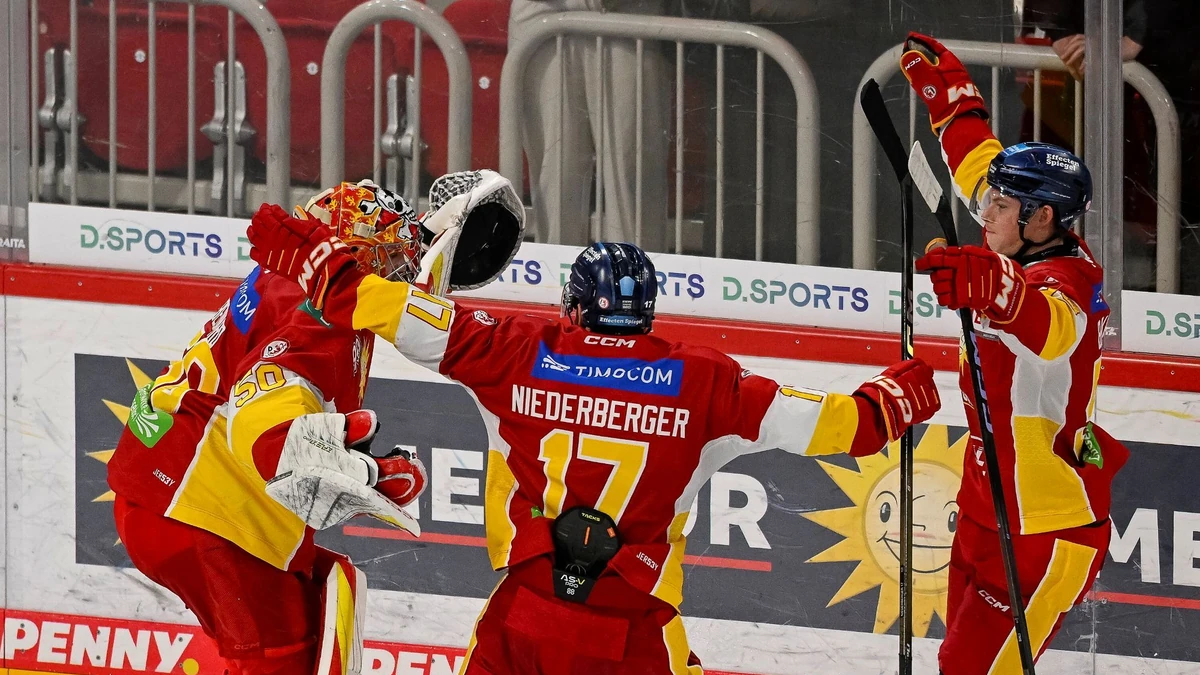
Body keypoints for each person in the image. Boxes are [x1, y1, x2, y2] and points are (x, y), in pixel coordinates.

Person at [244, 200, 943, 674]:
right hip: (632, 630)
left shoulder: (516, 349)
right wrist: (900, 394)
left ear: (574, 306)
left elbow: (389, 308)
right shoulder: (705, 382)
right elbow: (841, 426)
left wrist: (315, 263)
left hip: (524, 621)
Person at [106, 174, 524, 675]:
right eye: (386, 253)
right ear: (347, 249)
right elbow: (271, 393)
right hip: (203, 510)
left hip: (166, 496)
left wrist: (357, 462)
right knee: (279, 660)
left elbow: (280, 394)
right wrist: (284, 446)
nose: (402, 266)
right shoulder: (320, 312)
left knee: (312, 609)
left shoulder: (290, 281)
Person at [900, 33, 1130, 675]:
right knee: (959, 662)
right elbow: (978, 159)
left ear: (1043, 219)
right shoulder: (1019, 225)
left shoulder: (1068, 280)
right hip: (986, 505)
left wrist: (989, 287)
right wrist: (953, 100)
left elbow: (1053, 329)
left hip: (1046, 527)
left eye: (1001, 207)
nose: (985, 213)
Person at [509, 0, 669, 251]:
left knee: (630, 171)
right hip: (542, 12)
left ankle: (635, 280)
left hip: (629, 13)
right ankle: (555, 279)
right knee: (555, 173)